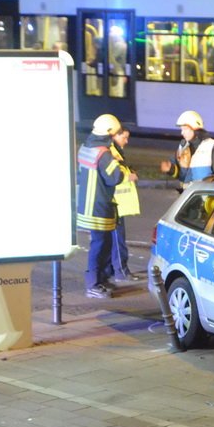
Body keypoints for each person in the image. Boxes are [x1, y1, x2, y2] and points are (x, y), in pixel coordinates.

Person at [77, 114, 136, 299]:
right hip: (100, 206)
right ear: (109, 132)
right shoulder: (103, 153)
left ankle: (100, 280)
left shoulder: (86, 147)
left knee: (102, 243)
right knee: (99, 245)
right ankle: (93, 284)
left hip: (87, 205)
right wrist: (120, 168)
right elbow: (114, 178)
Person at [106, 126, 141, 283]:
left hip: (115, 203)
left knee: (113, 239)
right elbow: (115, 175)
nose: (126, 141)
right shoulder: (112, 152)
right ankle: (121, 271)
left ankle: (113, 270)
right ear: (115, 136)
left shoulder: (114, 151)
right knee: (118, 239)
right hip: (116, 203)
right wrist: (129, 176)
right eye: (124, 137)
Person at [159, 110, 214, 193]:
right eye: (181, 129)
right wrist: (170, 168)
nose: (182, 132)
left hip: (205, 197)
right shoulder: (182, 146)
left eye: (185, 129)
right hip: (188, 197)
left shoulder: (211, 146)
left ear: (195, 129)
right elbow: (181, 174)